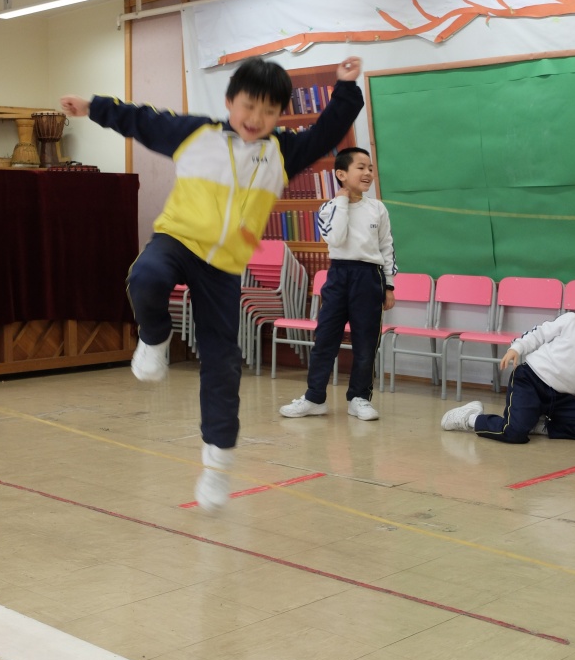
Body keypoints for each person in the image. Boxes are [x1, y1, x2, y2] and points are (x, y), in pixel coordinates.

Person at [60, 56, 364, 510]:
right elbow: (143, 120)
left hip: (223, 267)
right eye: (248, 107)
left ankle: (217, 463)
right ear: (229, 102)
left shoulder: (282, 152)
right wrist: (93, 107)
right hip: (178, 240)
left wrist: (345, 85)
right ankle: (154, 339)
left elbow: (328, 130)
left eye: (268, 112)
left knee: (222, 364)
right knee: (146, 276)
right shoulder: (195, 134)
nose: (255, 119)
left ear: (279, 115)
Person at [279, 146, 397, 422]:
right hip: (339, 275)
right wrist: (342, 202)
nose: (368, 173)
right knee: (325, 338)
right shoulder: (329, 208)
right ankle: (314, 398)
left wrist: (389, 286)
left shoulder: (377, 208)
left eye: (370, 168)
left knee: (366, 341)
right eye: (361, 167)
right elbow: (336, 238)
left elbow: (387, 247)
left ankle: (359, 398)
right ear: (341, 174)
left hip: (369, 277)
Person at [441, 311, 575, 442]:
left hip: (562, 397)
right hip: (531, 381)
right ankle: (470, 418)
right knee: (513, 432)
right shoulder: (571, 320)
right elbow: (538, 334)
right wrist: (516, 348)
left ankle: (539, 425)